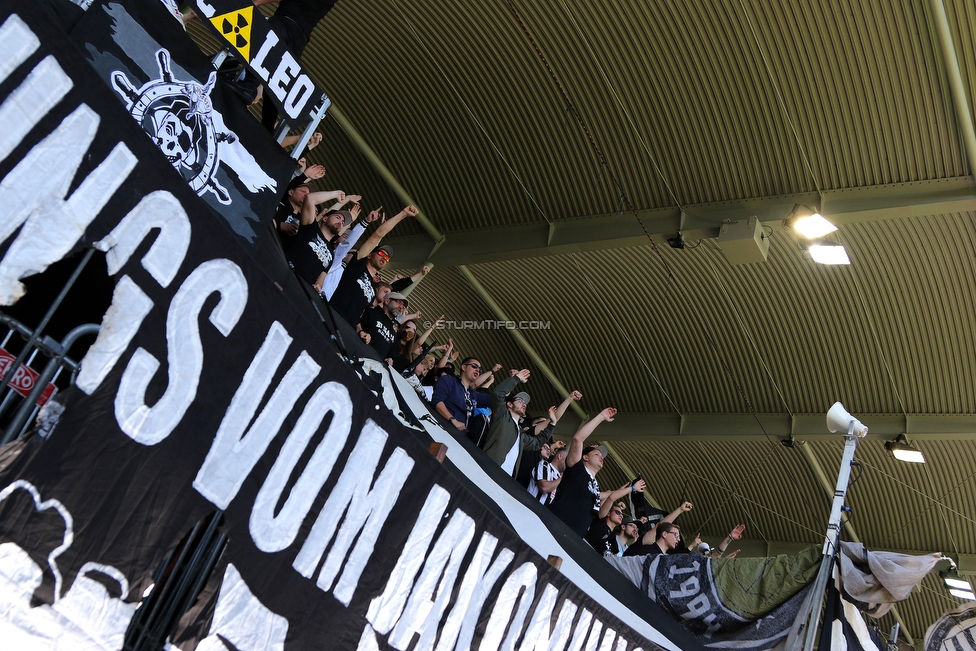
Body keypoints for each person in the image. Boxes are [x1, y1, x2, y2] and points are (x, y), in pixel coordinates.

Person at [328, 205, 418, 326]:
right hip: (332, 313)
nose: (384, 258)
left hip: (347, 327)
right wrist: (403, 214)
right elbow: (378, 235)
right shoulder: (358, 264)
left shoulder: (374, 287)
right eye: (381, 253)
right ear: (369, 255)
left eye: (387, 258)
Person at [547, 407, 620, 537]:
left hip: (573, 538)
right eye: (597, 454)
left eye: (602, 456)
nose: (601, 457)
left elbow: (600, 514)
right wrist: (601, 416)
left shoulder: (595, 486)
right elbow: (577, 438)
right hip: (555, 528)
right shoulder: (577, 468)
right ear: (585, 457)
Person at [480, 370, 550, 477]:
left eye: (525, 403)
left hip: (507, 479)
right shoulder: (502, 416)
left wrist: (552, 424)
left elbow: (536, 443)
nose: (524, 404)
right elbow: (498, 393)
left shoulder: (521, 434)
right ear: (509, 404)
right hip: (488, 469)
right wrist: (516, 378)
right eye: (520, 401)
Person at [431, 357, 491, 432]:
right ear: (463, 367)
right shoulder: (449, 380)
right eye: (474, 366)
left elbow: (495, 399)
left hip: (459, 436)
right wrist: (453, 420)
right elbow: (437, 402)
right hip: (442, 428)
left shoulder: (473, 394)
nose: (478, 370)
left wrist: (510, 382)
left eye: (480, 369)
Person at [623, 502, 693, 557]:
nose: (679, 539)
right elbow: (658, 527)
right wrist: (680, 510)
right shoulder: (646, 545)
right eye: (676, 535)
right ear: (664, 534)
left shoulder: (664, 559)